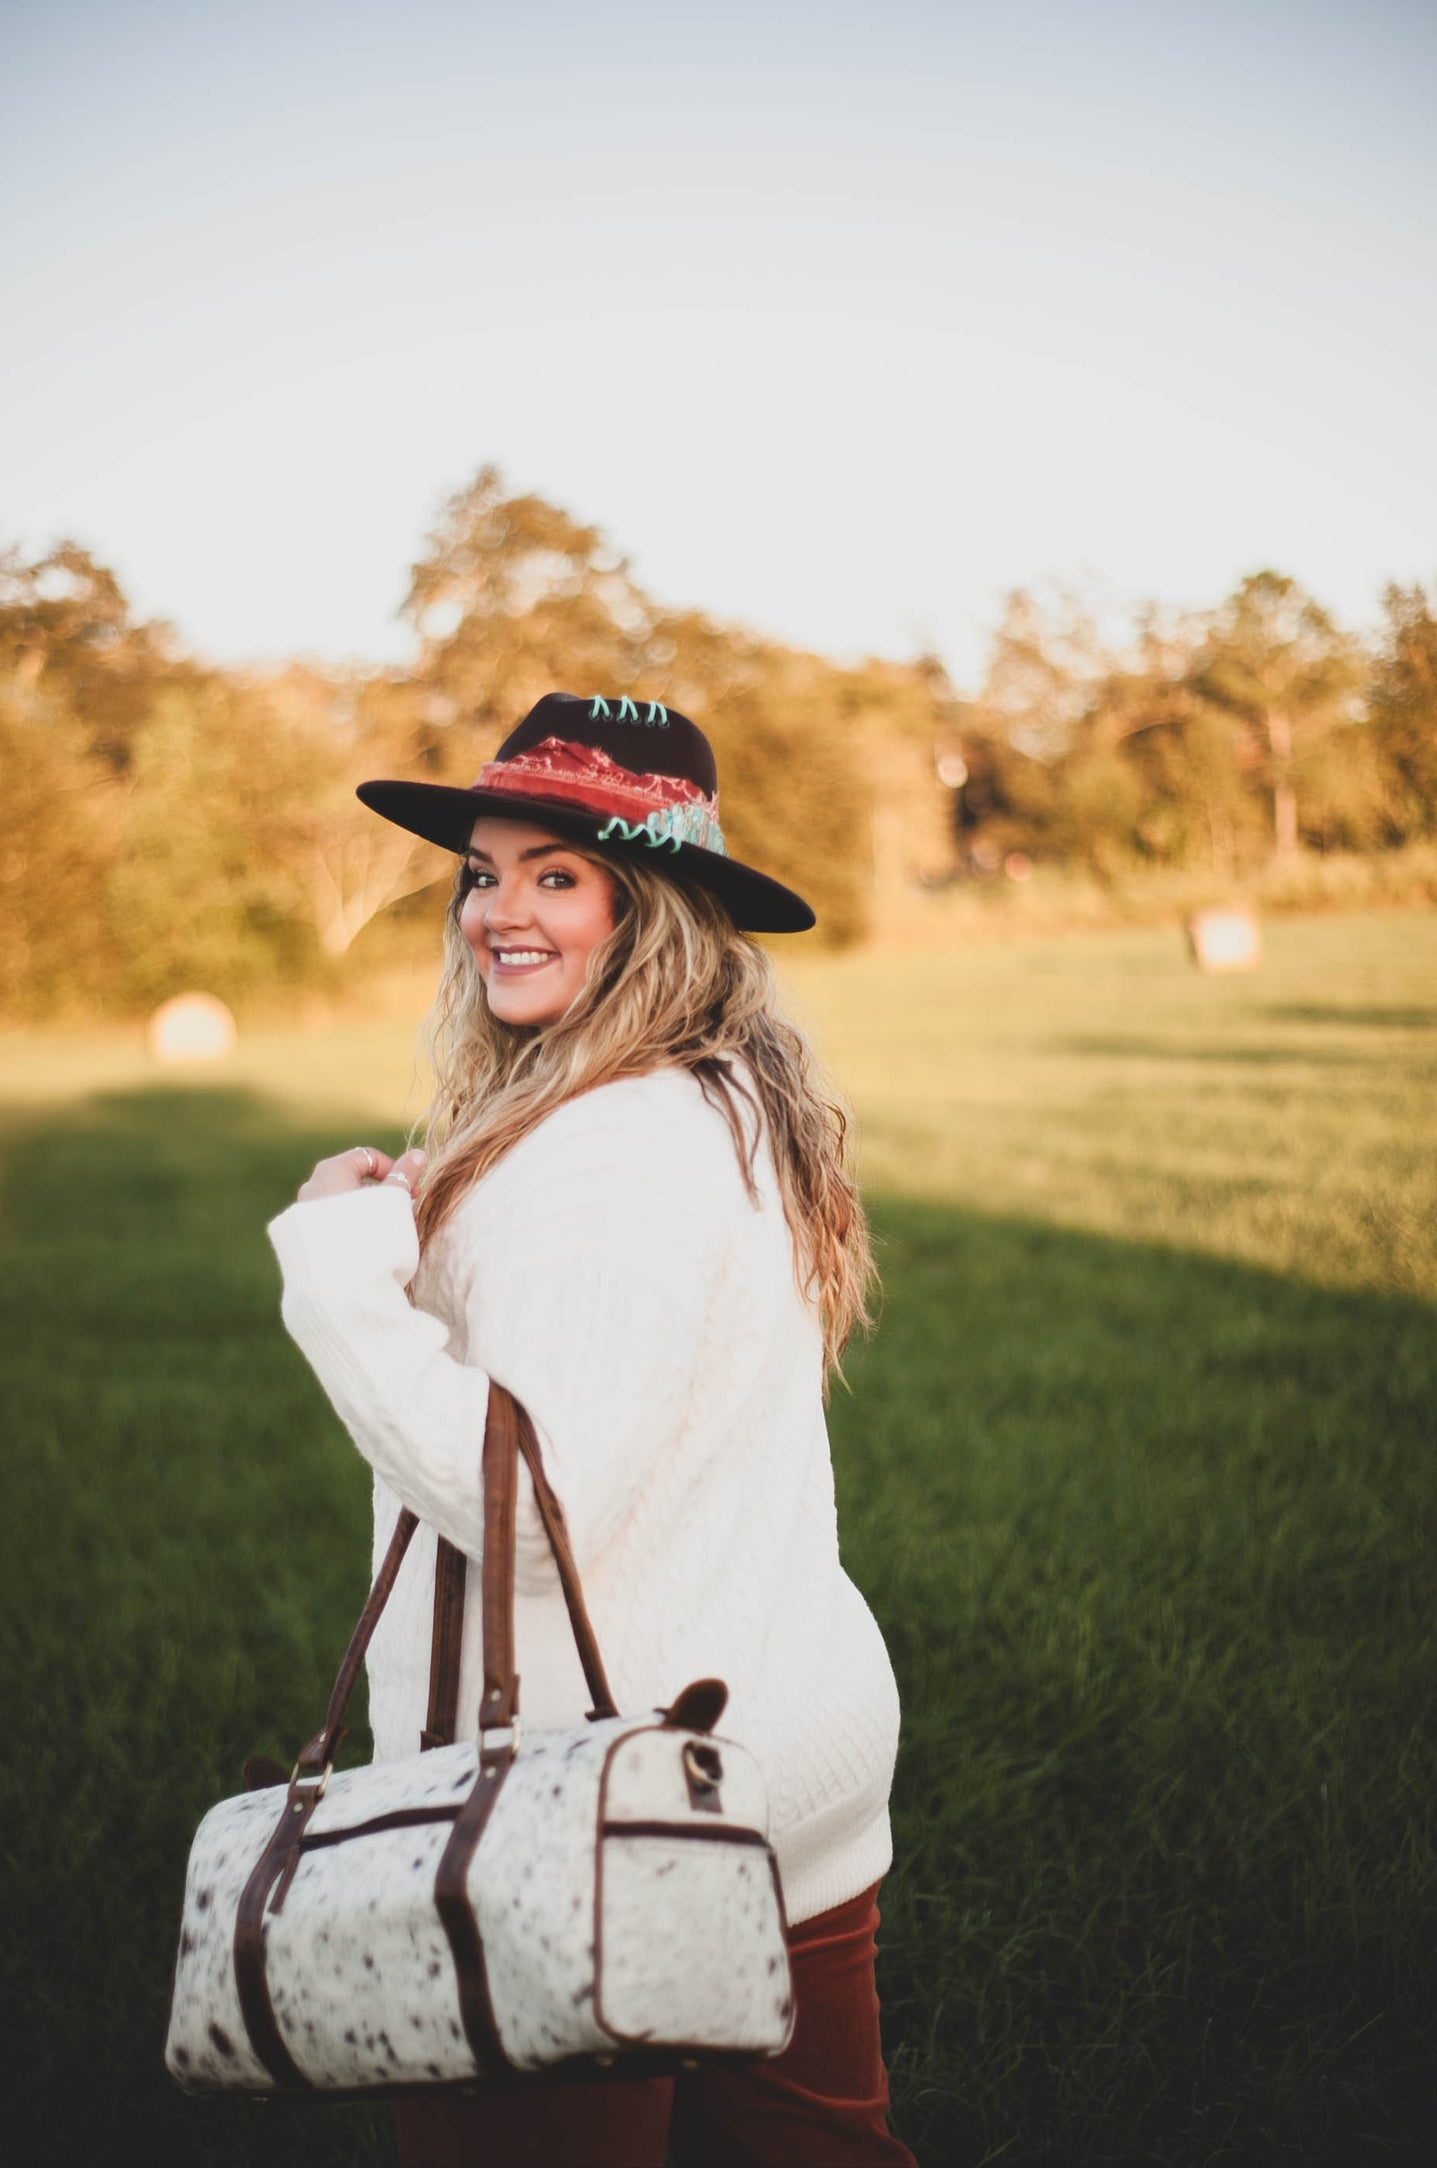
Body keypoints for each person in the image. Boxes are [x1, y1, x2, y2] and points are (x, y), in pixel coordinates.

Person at [267, 692, 914, 2167]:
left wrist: (336, 1267)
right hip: (765, 1761)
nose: (499, 909)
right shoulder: (719, 1094)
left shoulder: (607, 1159)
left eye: (555, 875)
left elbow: (530, 1514)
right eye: (483, 873)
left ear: (654, 911)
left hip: (583, 1819)